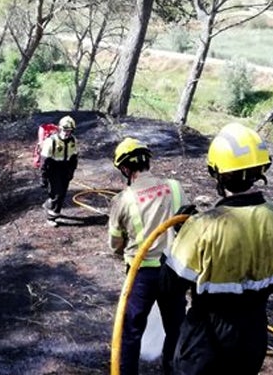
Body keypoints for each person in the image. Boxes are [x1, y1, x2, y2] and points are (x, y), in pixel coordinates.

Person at [163, 123, 273, 375]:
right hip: (252, 338)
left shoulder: (201, 226)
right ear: (261, 170)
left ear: (217, 173)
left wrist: (180, 238)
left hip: (205, 342)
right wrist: (257, 283)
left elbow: (169, 287)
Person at [107, 138, 188, 375]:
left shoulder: (123, 199)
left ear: (125, 169)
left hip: (141, 274)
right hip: (174, 271)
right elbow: (187, 225)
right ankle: (172, 371)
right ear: (147, 161)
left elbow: (115, 243)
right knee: (176, 328)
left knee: (131, 331)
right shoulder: (175, 187)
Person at [40, 115, 78, 226]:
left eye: (69, 131)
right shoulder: (51, 141)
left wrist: (71, 171)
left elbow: (74, 158)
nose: (66, 133)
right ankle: (51, 218)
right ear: (60, 129)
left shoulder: (73, 141)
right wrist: (43, 177)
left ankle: (48, 206)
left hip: (65, 168)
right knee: (57, 194)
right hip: (53, 169)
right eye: (64, 130)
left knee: (62, 194)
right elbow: (44, 161)